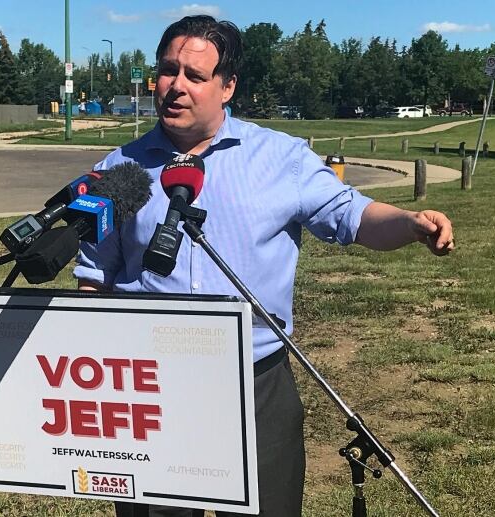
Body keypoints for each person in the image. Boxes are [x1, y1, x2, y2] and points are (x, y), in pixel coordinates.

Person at [74, 15, 454, 517]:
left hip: (256, 380)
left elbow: (352, 216)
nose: (176, 86)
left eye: (195, 75)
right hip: (151, 388)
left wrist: (408, 222)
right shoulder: (115, 169)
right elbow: (92, 277)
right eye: (168, 71)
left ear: (227, 86)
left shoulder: (282, 159)